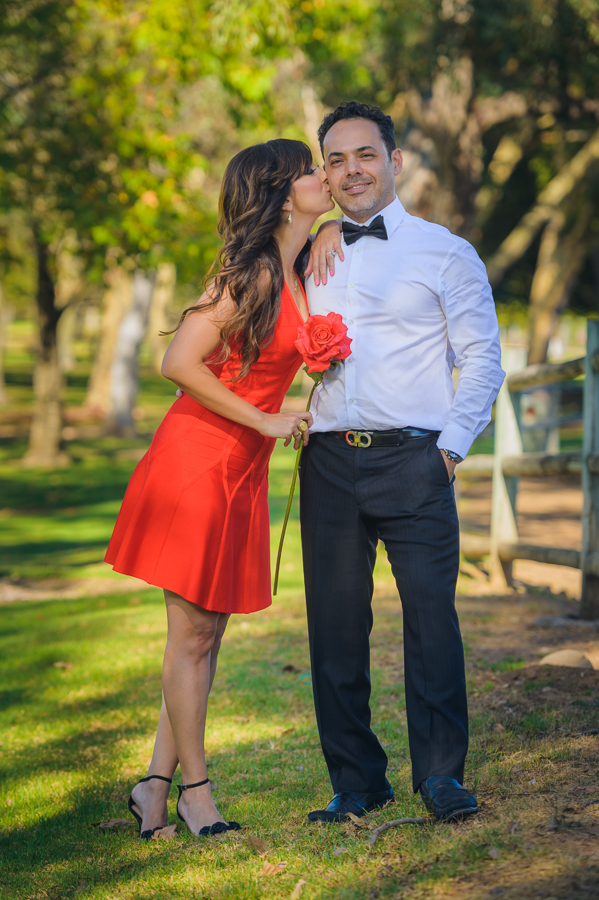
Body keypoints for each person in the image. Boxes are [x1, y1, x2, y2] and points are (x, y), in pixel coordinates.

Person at [105, 139, 334, 839]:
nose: (324, 176)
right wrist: (268, 418)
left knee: (206, 636)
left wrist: (324, 231)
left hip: (240, 471)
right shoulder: (252, 272)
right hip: (198, 462)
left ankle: (153, 786)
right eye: (309, 169)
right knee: (193, 638)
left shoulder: (296, 266)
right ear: (279, 188)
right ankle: (194, 794)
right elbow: (178, 361)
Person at [300, 101, 505, 823]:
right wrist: (317, 229)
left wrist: (448, 451)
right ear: (322, 174)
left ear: (394, 160)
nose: (350, 170)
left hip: (416, 461)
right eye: (335, 159)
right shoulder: (307, 257)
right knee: (332, 630)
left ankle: (440, 776)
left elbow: (482, 358)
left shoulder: (445, 252)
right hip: (326, 464)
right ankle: (356, 782)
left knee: (429, 622)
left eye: (363, 154)